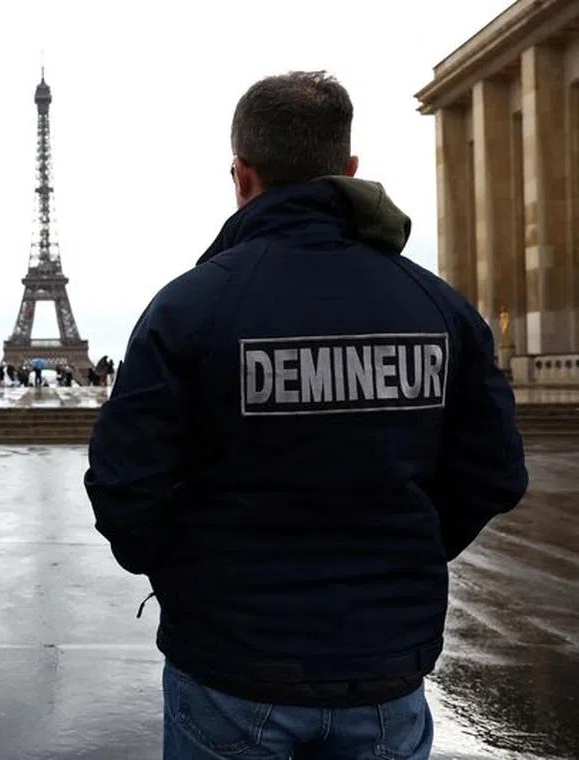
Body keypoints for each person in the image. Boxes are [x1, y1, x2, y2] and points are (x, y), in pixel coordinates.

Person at [83, 70, 527, 760]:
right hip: (384, 666)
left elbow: (122, 485)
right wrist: (404, 551)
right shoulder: (436, 306)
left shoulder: (189, 307)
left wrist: (191, 576)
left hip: (231, 660)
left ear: (241, 175)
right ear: (348, 170)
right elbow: (495, 472)